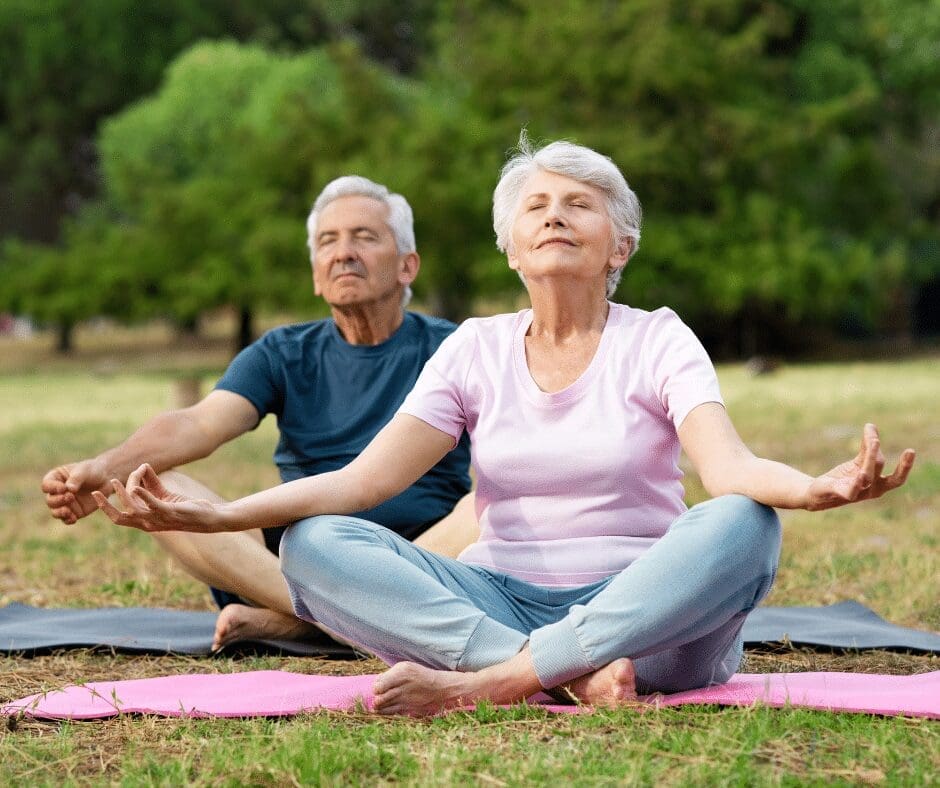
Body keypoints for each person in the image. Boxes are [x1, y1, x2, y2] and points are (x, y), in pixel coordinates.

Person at [94, 137, 915, 716]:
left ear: (618, 242)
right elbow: (362, 483)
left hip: (649, 620)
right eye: (537, 205)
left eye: (579, 205)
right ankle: (551, 673)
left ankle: (497, 682)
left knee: (743, 524)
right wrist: (221, 514)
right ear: (511, 246)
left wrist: (814, 488)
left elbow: (727, 470)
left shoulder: (658, 336)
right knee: (316, 542)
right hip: (501, 603)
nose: (555, 215)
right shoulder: (475, 348)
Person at [41, 175, 475, 651]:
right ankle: (341, 619)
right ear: (315, 273)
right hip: (297, 556)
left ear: (407, 266)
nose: (343, 253)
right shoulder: (282, 352)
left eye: (365, 237)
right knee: (153, 485)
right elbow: (201, 423)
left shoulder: (456, 347)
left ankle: (300, 622)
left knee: (486, 508)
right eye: (328, 242)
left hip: (422, 552)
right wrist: (105, 468)